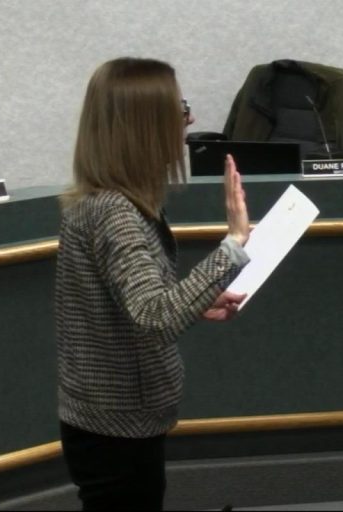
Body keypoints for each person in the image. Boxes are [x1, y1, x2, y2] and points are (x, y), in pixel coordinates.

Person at [55, 57, 251, 510]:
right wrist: (235, 242)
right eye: (179, 110)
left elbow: (133, 302)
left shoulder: (108, 201)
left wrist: (199, 299)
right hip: (114, 424)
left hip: (111, 418)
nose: (190, 120)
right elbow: (155, 318)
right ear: (145, 126)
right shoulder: (114, 212)